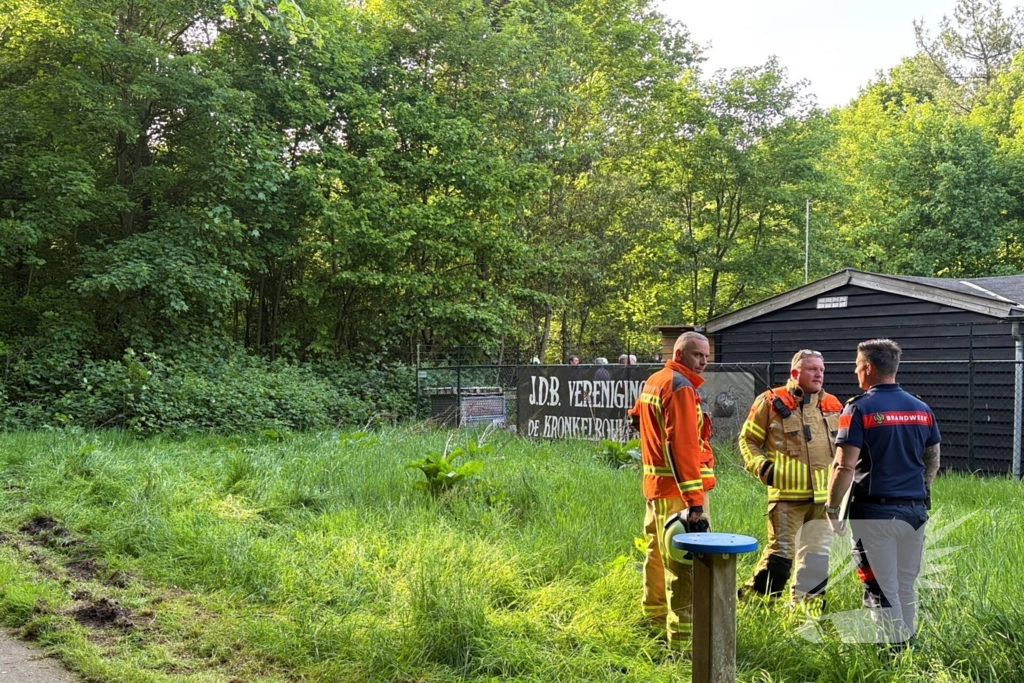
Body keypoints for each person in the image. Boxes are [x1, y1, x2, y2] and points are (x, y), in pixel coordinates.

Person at [826, 338, 941, 650]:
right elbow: (933, 460)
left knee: (880, 588)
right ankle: (908, 648)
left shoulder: (857, 408)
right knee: (904, 586)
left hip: (873, 515)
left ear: (868, 368)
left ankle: (893, 657)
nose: (854, 371)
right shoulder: (922, 409)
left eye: (856, 366)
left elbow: (843, 466)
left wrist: (832, 507)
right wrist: (922, 490)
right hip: (914, 512)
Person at [628, 331, 715, 651]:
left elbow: (635, 419)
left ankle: (653, 618)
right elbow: (683, 448)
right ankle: (682, 642)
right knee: (683, 565)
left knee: (655, 554)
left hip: (655, 487)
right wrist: (694, 504)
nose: (704, 361)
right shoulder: (680, 388)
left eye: (706, 356)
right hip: (680, 492)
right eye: (697, 355)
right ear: (679, 355)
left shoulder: (656, 380)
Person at [738, 350, 843, 606]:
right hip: (786, 496)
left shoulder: (833, 404)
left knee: (817, 558)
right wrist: (761, 467)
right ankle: (757, 604)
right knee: (780, 558)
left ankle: (807, 610)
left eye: (821, 369)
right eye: (812, 369)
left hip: (824, 499)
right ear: (795, 373)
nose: (819, 373)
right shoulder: (770, 401)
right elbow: (748, 440)